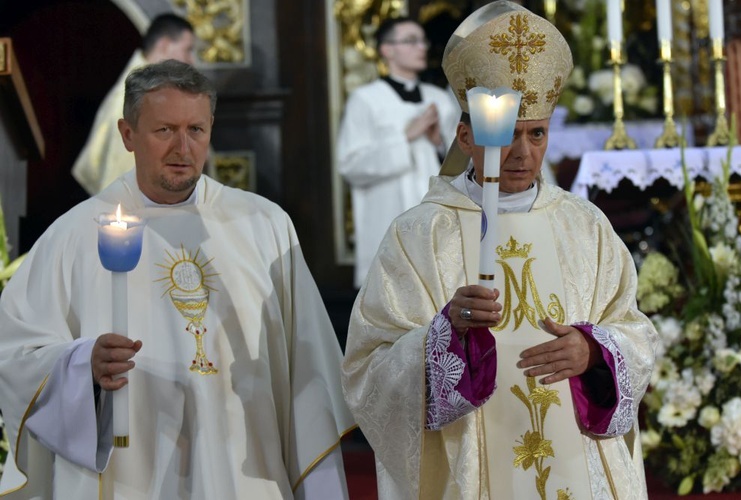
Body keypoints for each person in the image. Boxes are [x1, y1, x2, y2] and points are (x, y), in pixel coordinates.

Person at [341, 2, 658, 499]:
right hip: (471, 460)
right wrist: (446, 336)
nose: (523, 152)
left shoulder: (584, 225)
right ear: (465, 136)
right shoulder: (420, 233)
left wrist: (593, 350)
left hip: (575, 450)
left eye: (536, 133)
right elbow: (369, 365)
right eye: (507, 133)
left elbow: (636, 332)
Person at [0, 60, 354, 500]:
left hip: (242, 466)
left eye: (196, 130)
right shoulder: (72, 236)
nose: (183, 149)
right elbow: (14, 354)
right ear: (128, 135)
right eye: (164, 131)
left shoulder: (264, 226)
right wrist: (81, 365)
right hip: (133, 475)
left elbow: (310, 369)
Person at [337, 16, 461, 288]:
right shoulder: (366, 100)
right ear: (387, 49)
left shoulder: (438, 99)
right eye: (410, 41)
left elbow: (460, 161)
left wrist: (439, 141)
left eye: (422, 41)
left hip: (435, 215)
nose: (421, 47)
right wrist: (406, 136)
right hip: (386, 213)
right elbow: (350, 164)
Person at [72, 13, 197, 196]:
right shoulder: (138, 98)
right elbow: (124, 179)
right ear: (164, 45)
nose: (191, 61)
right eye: (187, 50)